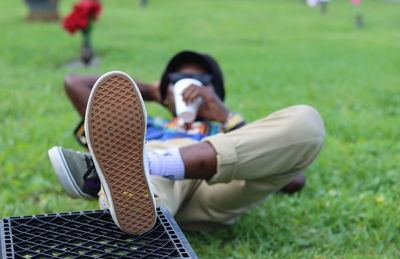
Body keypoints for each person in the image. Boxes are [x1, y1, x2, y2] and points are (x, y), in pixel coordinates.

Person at [48, 51, 325, 234]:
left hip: (217, 189)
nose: (189, 86)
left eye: (201, 81)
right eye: (179, 80)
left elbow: (293, 180)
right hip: (157, 187)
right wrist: (154, 91)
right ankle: (135, 201)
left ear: (214, 90)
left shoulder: (233, 129)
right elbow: (75, 83)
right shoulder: (146, 125)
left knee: (308, 121)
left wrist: (226, 116)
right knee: (144, 170)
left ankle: (121, 170)